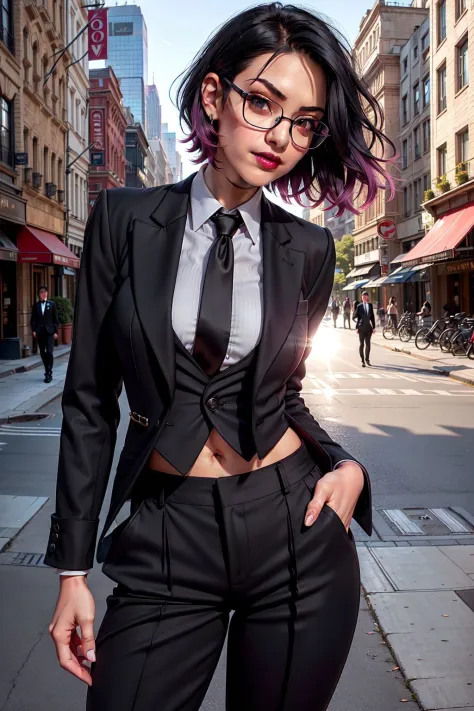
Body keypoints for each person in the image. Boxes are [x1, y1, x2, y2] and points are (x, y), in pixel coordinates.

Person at [45, 4, 397, 710]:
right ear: (215, 96)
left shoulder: (310, 251)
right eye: (263, 103)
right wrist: (72, 569)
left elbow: (287, 390)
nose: (282, 137)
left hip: (295, 534)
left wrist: (346, 463)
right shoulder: (123, 223)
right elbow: (89, 401)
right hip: (167, 528)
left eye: (303, 122)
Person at [30, 286, 59, 383]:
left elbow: (55, 320)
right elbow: (33, 319)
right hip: (40, 332)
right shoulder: (36, 305)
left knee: (49, 352)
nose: (43, 294)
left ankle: (49, 372)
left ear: (47, 293)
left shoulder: (52, 304)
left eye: (45, 292)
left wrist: (56, 332)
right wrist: (34, 330)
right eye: (41, 292)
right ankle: (46, 370)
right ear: (39, 294)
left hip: (50, 332)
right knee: (42, 353)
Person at [353, 291, 376, 367]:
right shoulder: (359, 306)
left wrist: (374, 327)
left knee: (368, 344)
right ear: (361, 297)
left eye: (366, 295)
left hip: (369, 328)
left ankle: (367, 359)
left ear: (368, 297)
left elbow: (372, 317)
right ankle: (362, 360)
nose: (364, 297)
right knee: (362, 344)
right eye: (363, 296)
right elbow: (354, 317)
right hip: (361, 328)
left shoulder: (370, 305)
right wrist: (357, 326)